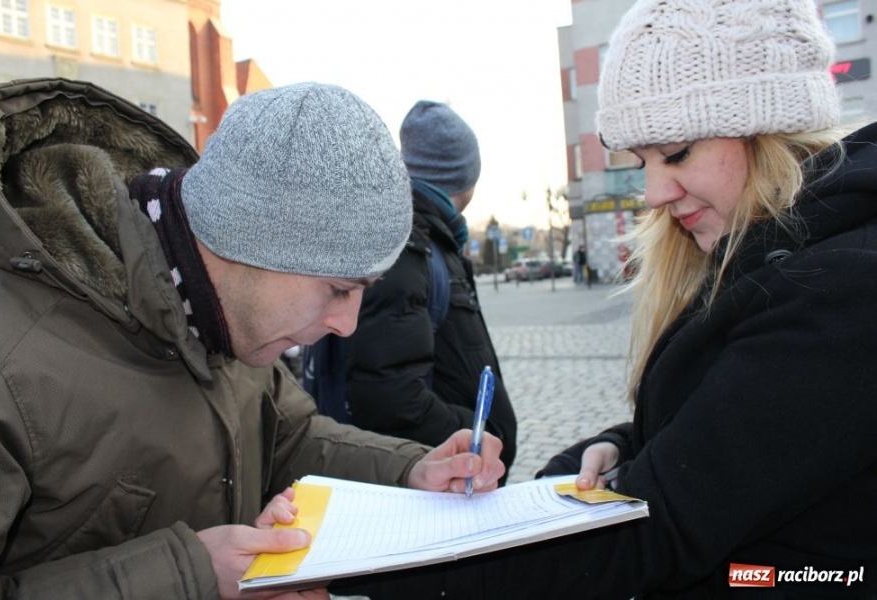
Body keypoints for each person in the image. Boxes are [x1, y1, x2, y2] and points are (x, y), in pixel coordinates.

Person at [341, 0, 877, 597]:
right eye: (640, 160)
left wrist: (389, 569)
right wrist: (621, 447)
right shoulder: (764, 253)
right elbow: (736, 433)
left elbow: (663, 529)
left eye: (675, 152)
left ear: (770, 127)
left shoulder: (838, 290)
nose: (652, 192)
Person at [0, 78, 504, 599]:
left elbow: (287, 439)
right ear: (249, 244)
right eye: (339, 289)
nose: (347, 325)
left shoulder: (224, 312)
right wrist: (191, 578)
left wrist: (413, 469)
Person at [341, 100, 518, 476]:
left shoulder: (431, 238)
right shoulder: (406, 247)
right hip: (437, 480)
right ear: (467, 175)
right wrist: (473, 438)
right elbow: (387, 394)